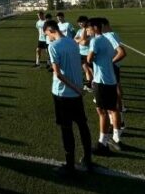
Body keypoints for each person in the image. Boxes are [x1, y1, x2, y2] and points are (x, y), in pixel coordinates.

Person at [43, 20, 93, 175]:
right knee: (82, 125)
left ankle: (69, 166)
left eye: (47, 35)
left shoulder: (53, 46)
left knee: (66, 129)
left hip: (63, 94)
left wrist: (76, 87)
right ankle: (88, 159)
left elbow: (57, 74)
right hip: (76, 94)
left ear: (50, 31)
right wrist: (78, 88)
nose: (48, 38)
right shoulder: (72, 42)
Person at [87, 18, 122, 154]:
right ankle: (115, 138)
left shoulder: (95, 41)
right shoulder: (108, 40)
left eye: (88, 28)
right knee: (113, 109)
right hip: (111, 79)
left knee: (101, 112)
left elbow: (89, 59)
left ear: (95, 28)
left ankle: (102, 143)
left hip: (101, 80)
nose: (87, 31)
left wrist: (91, 58)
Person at [101, 18, 128, 128]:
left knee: (114, 95)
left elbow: (121, 52)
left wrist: (110, 63)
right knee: (115, 92)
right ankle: (118, 119)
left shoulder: (110, 35)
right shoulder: (111, 34)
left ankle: (119, 121)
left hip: (112, 68)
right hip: (112, 68)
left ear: (104, 25)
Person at [74, 16, 93, 91]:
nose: (80, 24)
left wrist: (79, 40)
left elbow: (85, 43)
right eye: (79, 22)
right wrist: (80, 40)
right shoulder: (79, 31)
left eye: (81, 22)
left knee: (92, 71)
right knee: (86, 70)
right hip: (81, 53)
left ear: (86, 22)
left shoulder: (90, 31)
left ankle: (96, 85)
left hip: (89, 53)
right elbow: (74, 39)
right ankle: (89, 85)